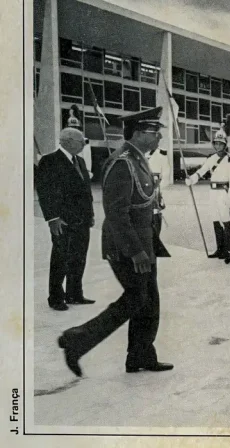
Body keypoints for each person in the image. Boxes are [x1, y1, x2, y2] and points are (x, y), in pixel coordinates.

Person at [57, 106, 173, 377]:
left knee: (149, 301)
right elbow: (117, 214)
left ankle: (140, 356)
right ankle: (76, 339)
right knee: (135, 298)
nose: (159, 138)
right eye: (155, 132)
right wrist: (135, 252)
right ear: (140, 134)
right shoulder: (123, 163)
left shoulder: (138, 158)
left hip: (144, 242)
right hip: (126, 247)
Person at [36, 126, 96, 311]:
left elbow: (86, 192)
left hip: (82, 221)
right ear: (68, 142)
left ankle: (74, 294)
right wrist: (52, 218)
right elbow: (45, 191)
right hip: (63, 221)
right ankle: (55, 297)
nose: (83, 145)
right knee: (60, 259)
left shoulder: (80, 161)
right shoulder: (49, 161)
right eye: (81, 142)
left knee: (79, 258)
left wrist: (91, 214)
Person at [185, 118, 230, 262]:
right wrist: (191, 179)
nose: (217, 145)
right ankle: (220, 249)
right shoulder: (211, 158)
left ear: (225, 144)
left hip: (224, 192)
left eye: (220, 143)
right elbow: (201, 171)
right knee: (215, 220)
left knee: (225, 220)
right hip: (212, 193)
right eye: (216, 143)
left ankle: (228, 250)